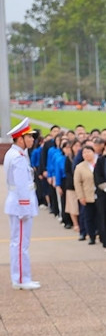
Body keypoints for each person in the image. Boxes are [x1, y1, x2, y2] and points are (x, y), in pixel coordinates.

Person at [5, 118, 40, 290]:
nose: (33, 140)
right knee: (20, 244)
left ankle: (21, 277)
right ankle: (21, 279)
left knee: (20, 243)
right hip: (20, 205)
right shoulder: (18, 157)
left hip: (19, 203)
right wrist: (25, 208)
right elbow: (20, 186)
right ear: (20, 138)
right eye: (30, 137)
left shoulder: (18, 154)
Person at [73, 144, 99, 245]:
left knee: (101, 216)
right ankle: (91, 236)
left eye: (89, 152)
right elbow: (77, 183)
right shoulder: (80, 167)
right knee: (88, 217)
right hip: (87, 195)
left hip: (100, 195)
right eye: (84, 152)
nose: (87, 154)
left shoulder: (99, 163)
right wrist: (81, 196)